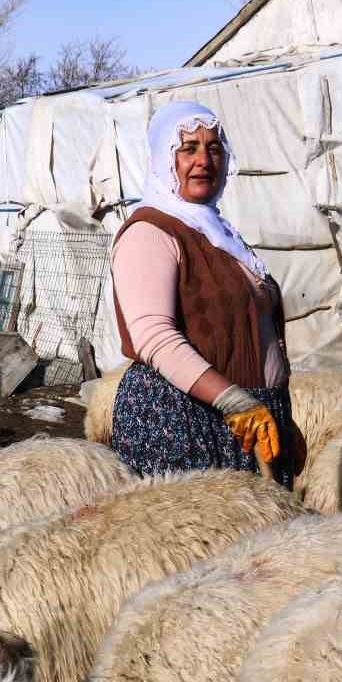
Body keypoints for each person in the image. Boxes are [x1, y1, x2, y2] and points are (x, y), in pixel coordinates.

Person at [109, 101, 301, 486]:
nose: (204, 160)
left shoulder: (217, 233)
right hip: (183, 420)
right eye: (188, 148)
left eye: (214, 149)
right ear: (164, 160)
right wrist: (232, 399)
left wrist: (280, 415)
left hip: (245, 417)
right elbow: (155, 338)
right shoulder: (151, 232)